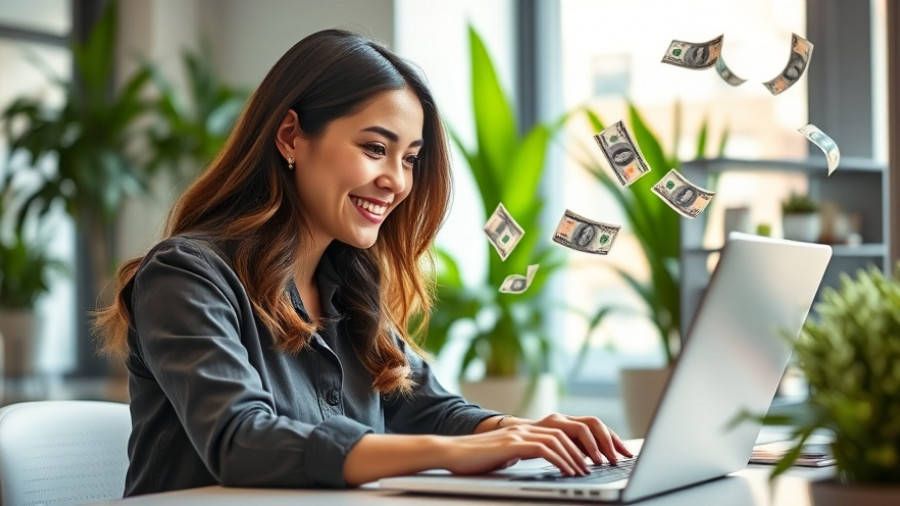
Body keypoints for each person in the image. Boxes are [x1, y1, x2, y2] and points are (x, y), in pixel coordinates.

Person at [95, 28, 630, 497]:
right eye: (376, 148)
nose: (397, 181)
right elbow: (242, 441)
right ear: (291, 137)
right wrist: (447, 454)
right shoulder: (186, 275)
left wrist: (522, 431)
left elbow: (423, 407)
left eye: (410, 159)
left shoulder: (349, 284)